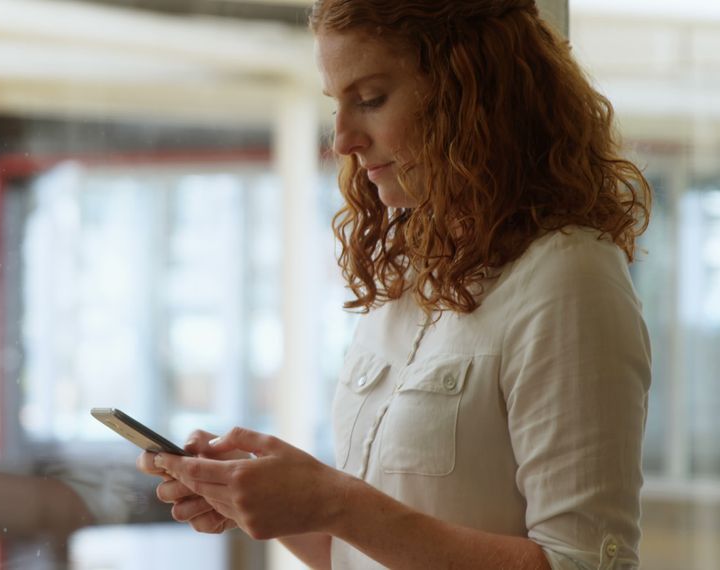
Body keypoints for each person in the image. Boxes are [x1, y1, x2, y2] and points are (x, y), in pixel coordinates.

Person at [137, 0, 653, 568]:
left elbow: (584, 563)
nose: (342, 140)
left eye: (371, 99)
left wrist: (336, 504)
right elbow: (365, 554)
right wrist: (264, 501)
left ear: (471, 91)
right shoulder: (411, 275)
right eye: (338, 104)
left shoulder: (567, 277)